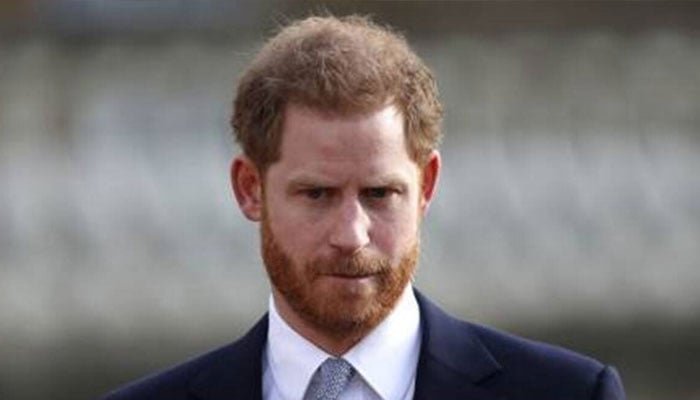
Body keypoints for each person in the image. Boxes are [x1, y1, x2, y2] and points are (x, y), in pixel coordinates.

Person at [102, 15, 625, 400]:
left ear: (426, 186)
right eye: (317, 194)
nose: (352, 234)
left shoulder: (569, 394)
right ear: (250, 189)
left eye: (379, 194)